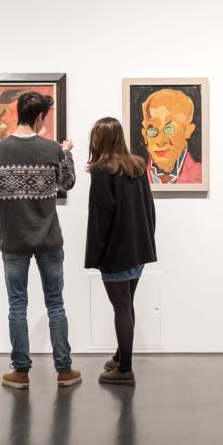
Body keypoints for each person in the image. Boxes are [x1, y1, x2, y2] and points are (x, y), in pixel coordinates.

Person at [0, 91, 82, 389]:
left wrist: (3, 198)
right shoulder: (52, 150)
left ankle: (21, 371)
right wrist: (68, 151)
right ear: (40, 117)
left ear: (17, 113)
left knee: (17, 305)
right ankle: (64, 370)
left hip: (13, 240)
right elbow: (67, 183)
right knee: (55, 304)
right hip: (49, 240)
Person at [85, 117, 157, 386]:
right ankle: (120, 355)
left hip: (116, 251)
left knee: (121, 307)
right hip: (138, 249)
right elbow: (149, 208)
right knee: (127, 304)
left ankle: (125, 368)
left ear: (99, 139)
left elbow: (100, 216)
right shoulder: (137, 165)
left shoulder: (102, 170)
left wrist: (96, 255)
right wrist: (148, 240)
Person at [141, 88, 201, 185]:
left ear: (188, 131)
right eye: (152, 131)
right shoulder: (137, 176)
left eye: (169, 129)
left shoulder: (200, 175)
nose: (160, 141)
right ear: (144, 134)